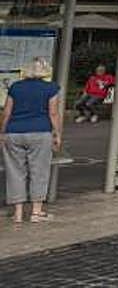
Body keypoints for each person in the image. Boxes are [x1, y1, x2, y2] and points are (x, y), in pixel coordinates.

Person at [1, 58, 61, 223]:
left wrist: (2, 132)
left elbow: (6, 113)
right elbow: (53, 113)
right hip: (40, 133)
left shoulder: (15, 87)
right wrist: (57, 134)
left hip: (14, 133)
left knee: (15, 172)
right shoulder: (51, 88)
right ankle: (36, 212)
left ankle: (18, 213)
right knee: (39, 171)